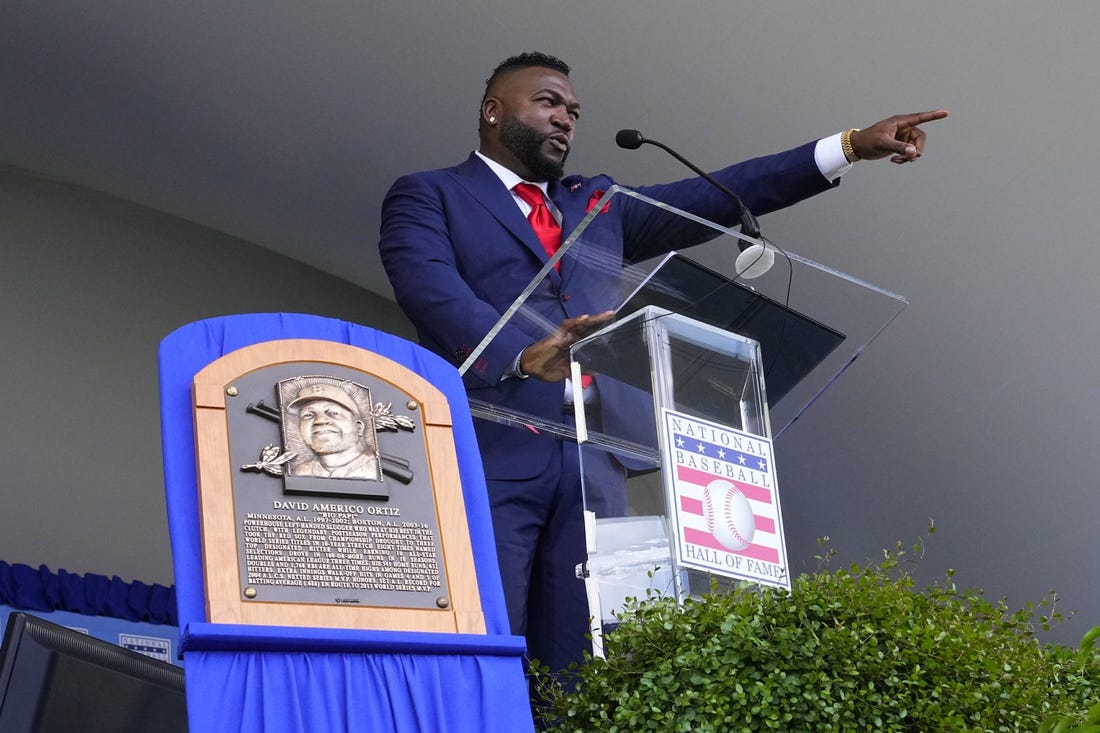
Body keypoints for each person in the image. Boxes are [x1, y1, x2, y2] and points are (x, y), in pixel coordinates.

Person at [378, 51, 946, 677]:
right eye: (547, 102)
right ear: (493, 111)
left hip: (596, 458)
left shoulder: (598, 204)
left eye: (572, 110)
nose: (565, 117)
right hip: (493, 445)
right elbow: (430, 289)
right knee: (485, 638)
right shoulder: (429, 194)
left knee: (587, 658)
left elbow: (719, 195)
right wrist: (518, 354)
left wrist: (848, 147)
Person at [285, 383, 381, 480]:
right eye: (308, 415)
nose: (320, 420)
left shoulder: (378, 469)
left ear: (359, 427)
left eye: (333, 413)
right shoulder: (300, 472)